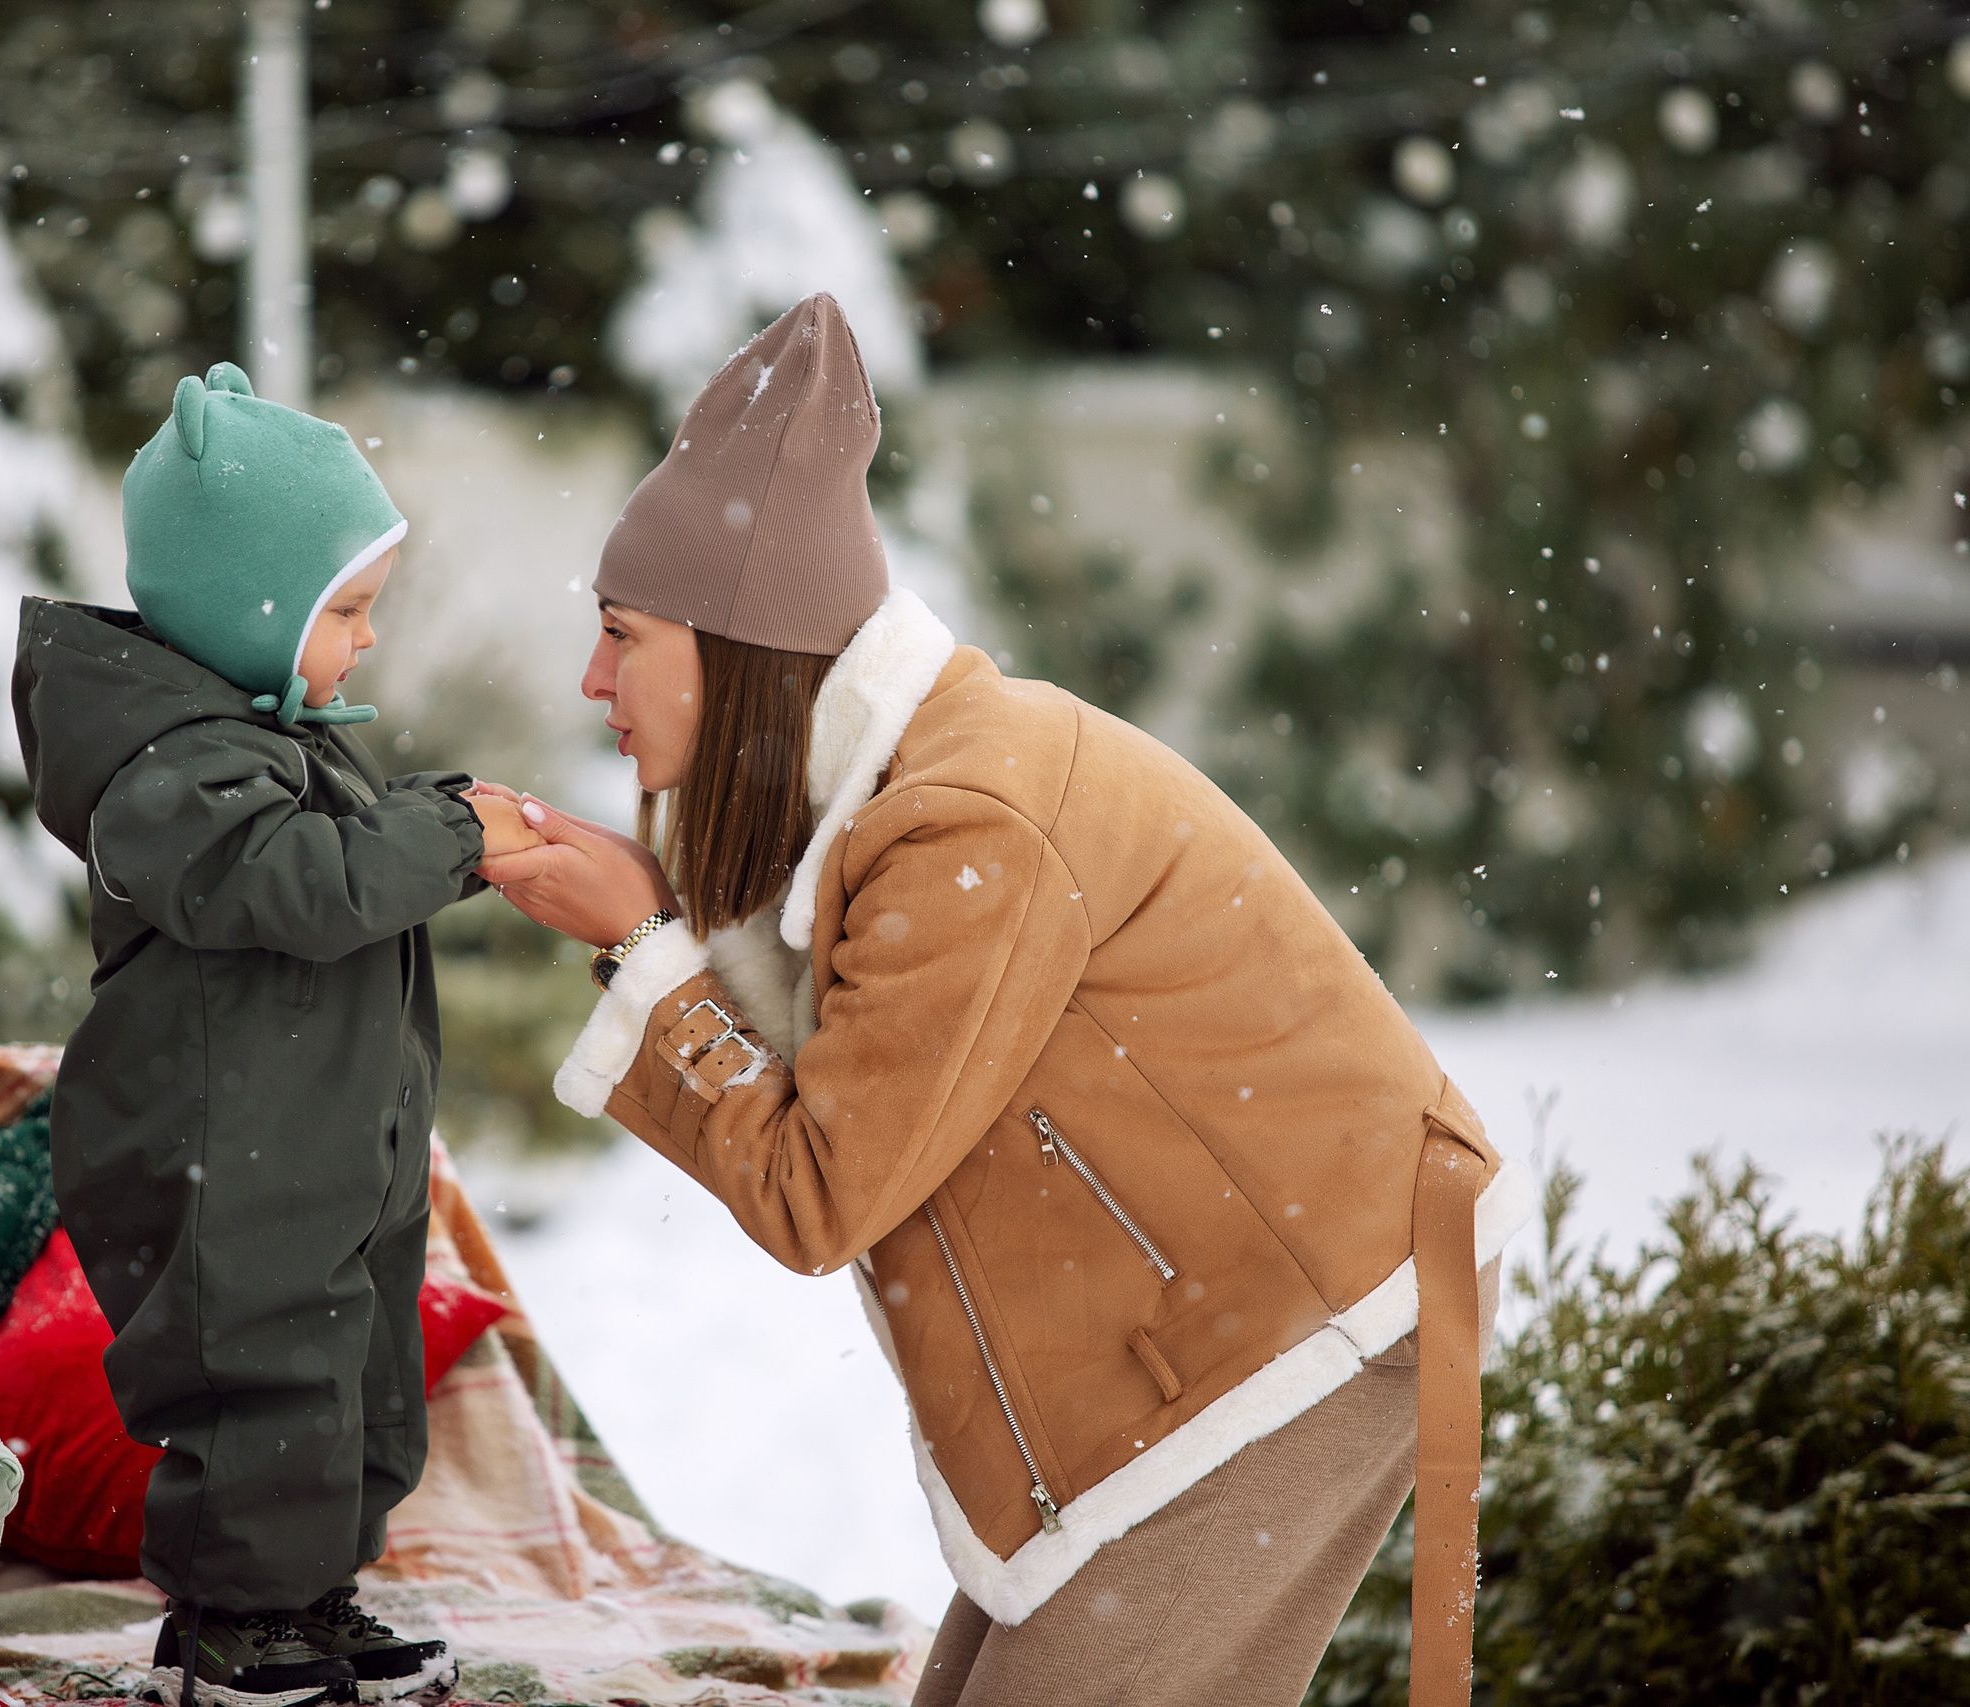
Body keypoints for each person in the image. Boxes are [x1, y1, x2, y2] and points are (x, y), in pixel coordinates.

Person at [479, 296, 1533, 1707]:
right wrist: (651, 928)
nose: (594, 680)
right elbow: (834, 1087)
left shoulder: (965, 823)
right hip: (1223, 1329)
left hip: (1301, 1327)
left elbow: (820, 1185)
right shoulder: (894, 803)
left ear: (735, 654)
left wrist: (644, 954)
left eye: (623, 637)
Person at [14, 362, 537, 1707]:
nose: (365, 641)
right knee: (258, 1374)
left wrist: (441, 820)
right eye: (345, 609)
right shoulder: (167, 770)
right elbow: (306, 882)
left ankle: (310, 1600)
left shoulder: (259, 738)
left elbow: (341, 857)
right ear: (249, 608)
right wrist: (448, 832)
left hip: (312, 1147)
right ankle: (235, 1619)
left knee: (355, 1375)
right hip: (218, 1148)